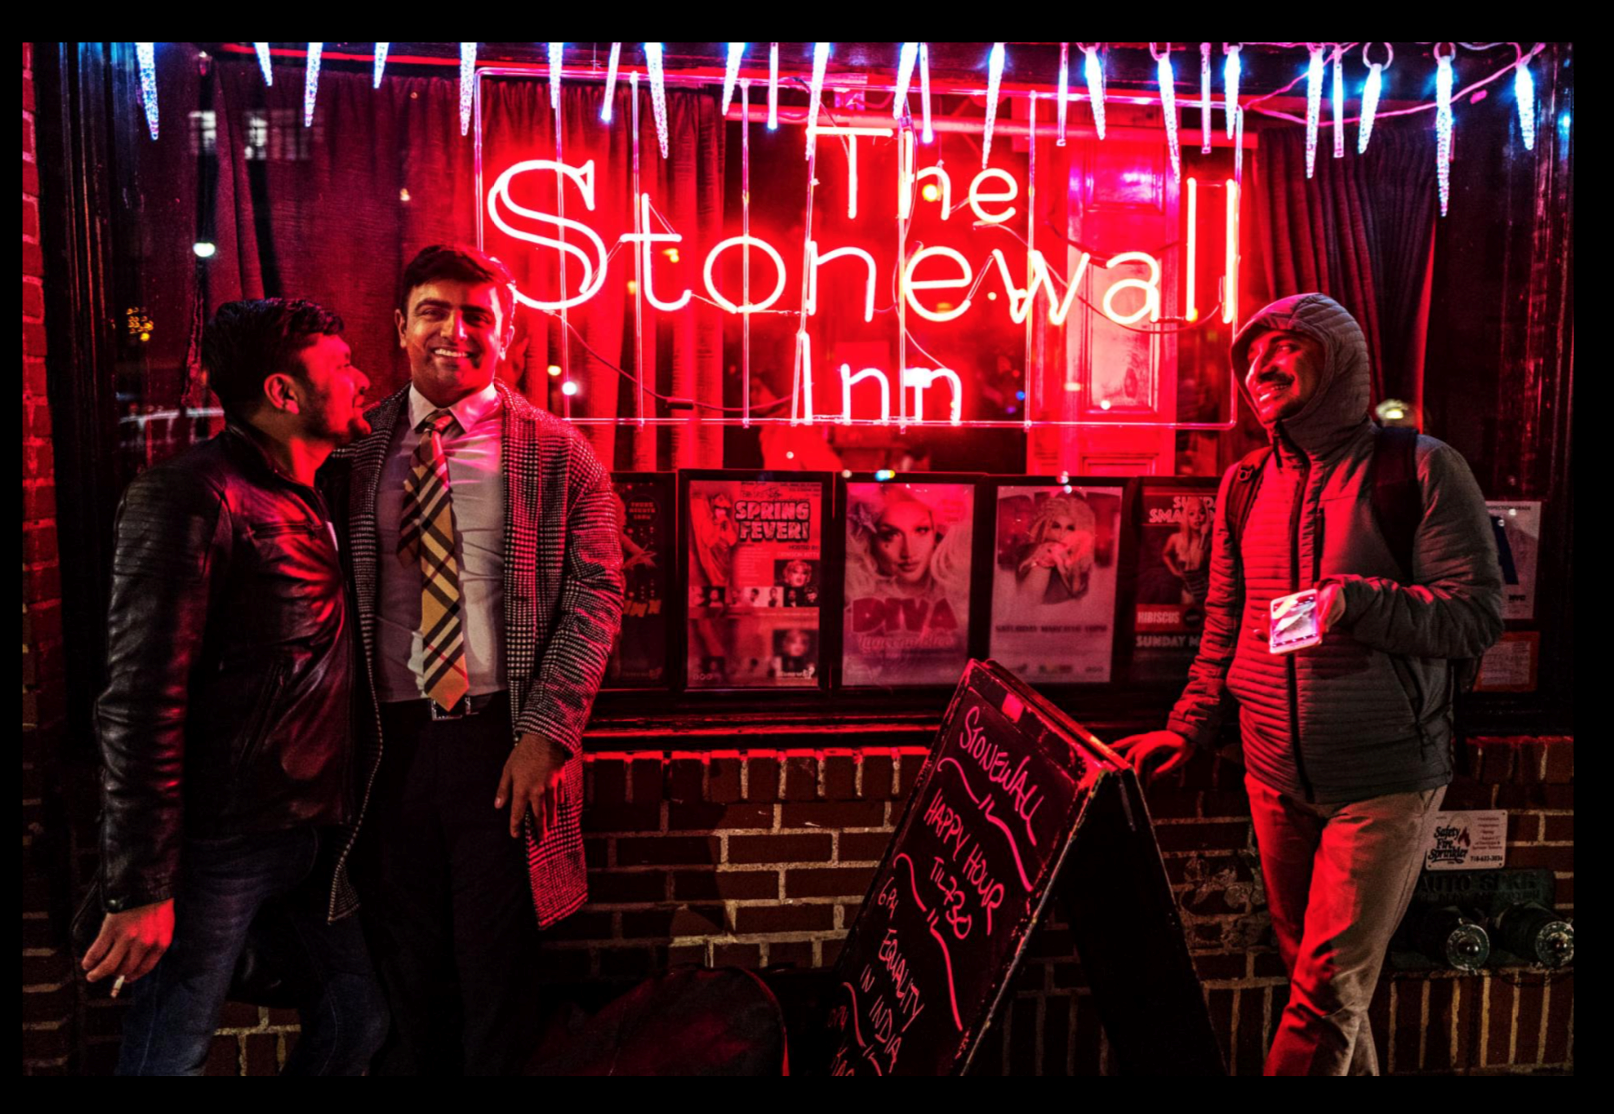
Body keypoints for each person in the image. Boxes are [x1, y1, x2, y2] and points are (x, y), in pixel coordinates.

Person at [1115, 293, 1503, 1076]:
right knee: (1324, 990)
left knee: (1325, 996)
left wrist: (1357, 602)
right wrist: (1190, 725)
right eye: (1252, 354)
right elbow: (1224, 619)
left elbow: (1474, 616)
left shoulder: (1421, 467)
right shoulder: (1244, 483)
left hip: (1385, 776)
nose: (1263, 363)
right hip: (1273, 775)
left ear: (1341, 361)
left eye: (1287, 344)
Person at [320, 245, 623, 1074]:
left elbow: (598, 596)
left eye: (477, 316)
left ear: (508, 334)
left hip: (502, 742)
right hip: (383, 745)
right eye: (435, 311)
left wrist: (547, 734)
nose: (456, 331)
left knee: (500, 975)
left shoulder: (559, 453)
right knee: (401, 972)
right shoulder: (349, 451)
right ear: (400, 326)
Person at [83, 299, 385, 1075]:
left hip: (309, 833)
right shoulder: (192, 494)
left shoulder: (314, 490)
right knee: (169, 1054)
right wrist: (142, 884)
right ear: (283, 393)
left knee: (355, 1020)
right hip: (221, 840)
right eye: (341, 366)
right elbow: (139, 698)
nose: (361, 379)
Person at [1014, 494, 1096, 604]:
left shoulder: (1081, 562)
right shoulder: (1039, 551)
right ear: (1046, 526)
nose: (1062, 534)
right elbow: (1028, 603)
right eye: (1056, 526)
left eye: (1070, 528)